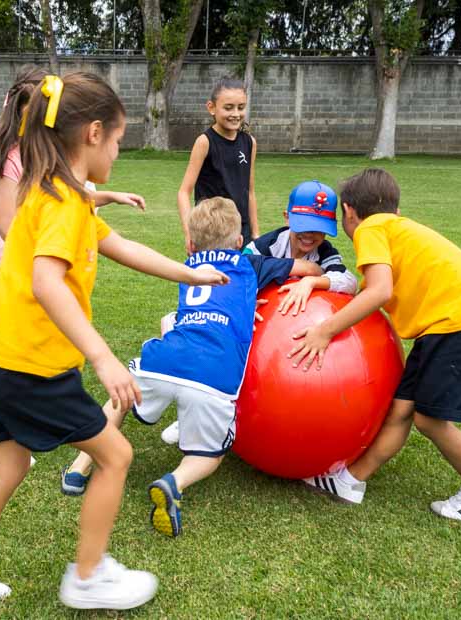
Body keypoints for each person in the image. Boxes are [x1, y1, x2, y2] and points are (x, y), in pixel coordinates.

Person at [0, 72, 228, 615]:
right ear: (92, 133)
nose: (117, 150)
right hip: (27, 365)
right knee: (116, 455)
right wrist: (104, 358)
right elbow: (46, 282)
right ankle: (88, 577)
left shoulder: (58, 191)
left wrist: (193, 275)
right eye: (117, 140)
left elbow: (119, 244)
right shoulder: (63, 200)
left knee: (7, 469)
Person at [60, 196, 322, 539]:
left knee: (121, 396)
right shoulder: (253, 266)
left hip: (167, 359)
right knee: (209, 456)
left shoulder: (189, 263)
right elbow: (311, 269)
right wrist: (305, 280)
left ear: (190, 244)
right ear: (240, 242)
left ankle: (80, 467)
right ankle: (175, 481)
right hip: (215, 375)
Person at [287, 168, 461, 521]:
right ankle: (350, 481)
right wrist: (322, 284)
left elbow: (379, 291)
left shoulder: (370, 228)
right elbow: (363, 288)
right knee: (401, 409)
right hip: (443, 326)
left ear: (348, 212)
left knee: (429, 420)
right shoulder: (395, 227)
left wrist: (325, 331)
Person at [159, 179, 360, 445]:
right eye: (303, 226)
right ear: (287, 217)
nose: (310, 235)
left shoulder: (325, 253)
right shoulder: (262, 247)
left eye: (319, 229)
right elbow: (233, 279)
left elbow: (349, 281)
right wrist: (244, 305)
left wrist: (312, 281)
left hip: (295, 328)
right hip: (253, 321)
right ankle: (192, 413)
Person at [0, 65, 145, 266]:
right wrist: (56, 239)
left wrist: (110, 196)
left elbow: (64, 198)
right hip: (21, 265)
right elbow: (8, 227)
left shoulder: (53, 157)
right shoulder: (11, 160)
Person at [177, 78, 258, 253]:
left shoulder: (249, 142)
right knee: (209, 279)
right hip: (211, 232)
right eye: (228, 108)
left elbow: (249, 192)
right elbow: (184, 192)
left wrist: (256, 235)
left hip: (241, 233)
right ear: (211, 108)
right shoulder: (204, 142)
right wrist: (188, 233)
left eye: (241, 107)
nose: (236, 113)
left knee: (241, 279)